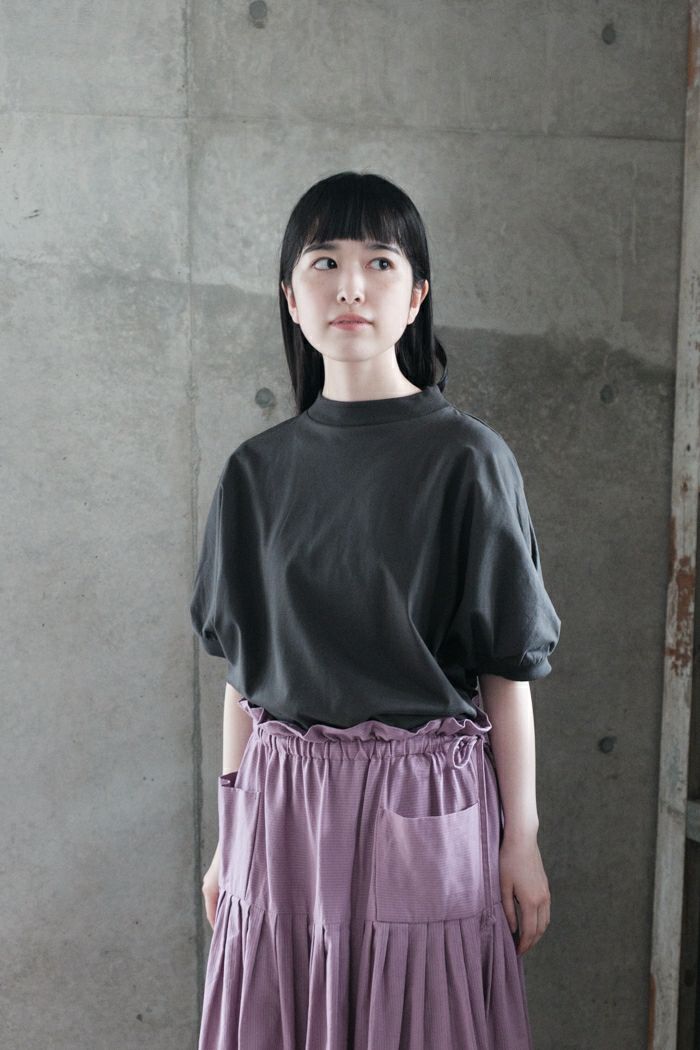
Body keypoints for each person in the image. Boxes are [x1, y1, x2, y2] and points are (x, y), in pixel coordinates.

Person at [190, 170, 562, 1050]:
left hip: (422, 799)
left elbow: (504, 670)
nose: (350, 286)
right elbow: (245, 676)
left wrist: (522, 837)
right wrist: (229, 835)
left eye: (379, 262)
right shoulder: (256, 473)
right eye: (324, 262)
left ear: (416, 294)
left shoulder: (468, 460)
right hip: (281, 807)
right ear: (291, 297)